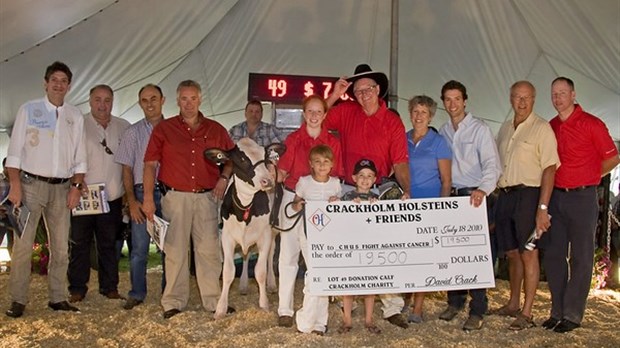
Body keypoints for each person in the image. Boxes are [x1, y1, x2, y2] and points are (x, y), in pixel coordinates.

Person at [326, 63, 410, 328]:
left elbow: (400, 161)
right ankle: (345, 298)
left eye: (368, 89)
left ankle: (391, 306)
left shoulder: (392, 120)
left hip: (380, 189)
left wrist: (406, 190)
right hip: (349, 190)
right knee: (348, 246)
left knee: (383, 248)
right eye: (358, 91)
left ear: (378, 91)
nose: (364, 95)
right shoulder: (346, 111)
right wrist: (335, 94)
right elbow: (316, 116)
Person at [142, 80, 234, 319]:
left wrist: (223, 178)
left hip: (206, 198)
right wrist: (149, 199)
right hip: (175, 197)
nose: (189, 103)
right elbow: (150, 164)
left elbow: (231, 158)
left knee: (209, 250)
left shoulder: (216, 129)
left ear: (200, 99)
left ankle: (213, 300)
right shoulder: (164, 129)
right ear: (177, 100)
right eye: (184, 98)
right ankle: (173, 301)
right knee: (175, 250)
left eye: (193, 98)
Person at [5, 61, 87, 318]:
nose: (59, 84)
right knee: (23, 245)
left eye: (64, 81)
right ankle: (18, 300)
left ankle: (58, 297)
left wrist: (76, 187)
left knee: (61, 246)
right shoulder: (28, 109)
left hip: (62, 188)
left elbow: (80, 157)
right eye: (54, 80)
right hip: (29, 187)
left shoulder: (75, 116)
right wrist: (15, 185)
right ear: (46, 83)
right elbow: (14, 152)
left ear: (69, 86)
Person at [541, 77, 619, 333]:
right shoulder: (550, 126)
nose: (558, 98)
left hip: (583, 197)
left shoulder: (592, 124)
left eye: (562, 93)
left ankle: (573, 313)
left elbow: (613, 157)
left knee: (582, 257)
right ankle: (557, 310)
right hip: (556, 197)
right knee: (553, 255)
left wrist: (592, 177)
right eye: (554, 94)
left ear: (573, 95)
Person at [489, 81, 560, 330]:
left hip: (529, 195)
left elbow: (550, 168)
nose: (521, 102)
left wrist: (542, 208)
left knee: (529, 253)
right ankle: (513, 303)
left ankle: (527, 313)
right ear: (510, 98)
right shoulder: (506, 128)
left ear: (534, 98)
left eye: (526, 97)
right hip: (506, 195)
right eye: (517, 97)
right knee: (511, 253)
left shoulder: (542, 129)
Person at [437, 80, 502, 330]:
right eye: (447, 99)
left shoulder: (479, 129)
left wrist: (482, 191)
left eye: (457, 99)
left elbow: (492, 165)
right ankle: (455, 302)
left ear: (465, 100)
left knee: (476, 255)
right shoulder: (443, 131)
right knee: (452, 253)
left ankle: (477, 309)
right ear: (443, 103)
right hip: (451, 198)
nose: (452, 104)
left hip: (474, 198)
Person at [276, 94, 343, 329]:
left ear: (325, 115)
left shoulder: (333, 142)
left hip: (323, 203)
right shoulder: (293, 138)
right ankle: (285, 308)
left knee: (318, 260)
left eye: (319, 112)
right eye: (310, 112)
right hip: (295, 198)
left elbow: (338, 174)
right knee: (288, 254)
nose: (314, 116)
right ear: (304, 114)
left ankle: (318, 313)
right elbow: (282, 171)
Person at [67, 84, 130, 303]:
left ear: (113, 102)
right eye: (97, 100)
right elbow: (68, 159)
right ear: (89, 100)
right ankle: (77, 288)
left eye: (107, 100)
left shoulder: (124, 127)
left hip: (111, 197)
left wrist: (127, 196)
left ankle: (109, 287)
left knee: (109, 244)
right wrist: (74, 184)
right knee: (79, 244)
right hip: (84, 196)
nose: (102, 105)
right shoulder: (77, 125)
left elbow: (128, 163)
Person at [114, 83, 166, 310]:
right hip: (139, 192)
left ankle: (170, 293)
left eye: (154, 98)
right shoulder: (132, 132)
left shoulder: (174, 129)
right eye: (145, 100)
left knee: (170, 249)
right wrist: (131, 202)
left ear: (163, 100)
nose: (150, 103)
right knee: (138, 249)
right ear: (140, 104)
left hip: (168, 193)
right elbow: (125, 169)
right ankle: (136, 292)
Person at [404, 95, 452, 324]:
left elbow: (446, 179)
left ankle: (418, 306)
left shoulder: (439, 142)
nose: (418, 116)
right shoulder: (403, 139)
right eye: (415, 111)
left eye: (423, 112)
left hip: (430, 204)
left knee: (422, 257)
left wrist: (441, 208)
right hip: (406, 206)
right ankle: (404, 299)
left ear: (431, 115)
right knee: (407, 255)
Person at [291, 144, 342, 335]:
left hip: (329, 236)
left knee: (323, 275)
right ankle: (306, 322)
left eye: (326, 162)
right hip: (307, 234)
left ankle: (319, 323)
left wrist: (336, 203)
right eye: (317, 162)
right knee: (313, 274)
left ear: (332, 165)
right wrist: (298, 205)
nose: (321, 166)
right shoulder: (304, 182)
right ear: (311, 164)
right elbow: (295, 202)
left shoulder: (336, 183)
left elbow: (340, 209)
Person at [339, 158, 381, 334]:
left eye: (369, 176)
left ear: (375, 179)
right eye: (361, 175)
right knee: (350, 284)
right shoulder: (347, 197)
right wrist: (345, 205)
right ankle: (347, 320)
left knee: (370, 285)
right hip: (351, 246)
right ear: (354, 177)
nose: (365, 179)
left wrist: (377, 208)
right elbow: (337, 217)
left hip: (370, 246)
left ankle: (369, 319)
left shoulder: (378, 199)